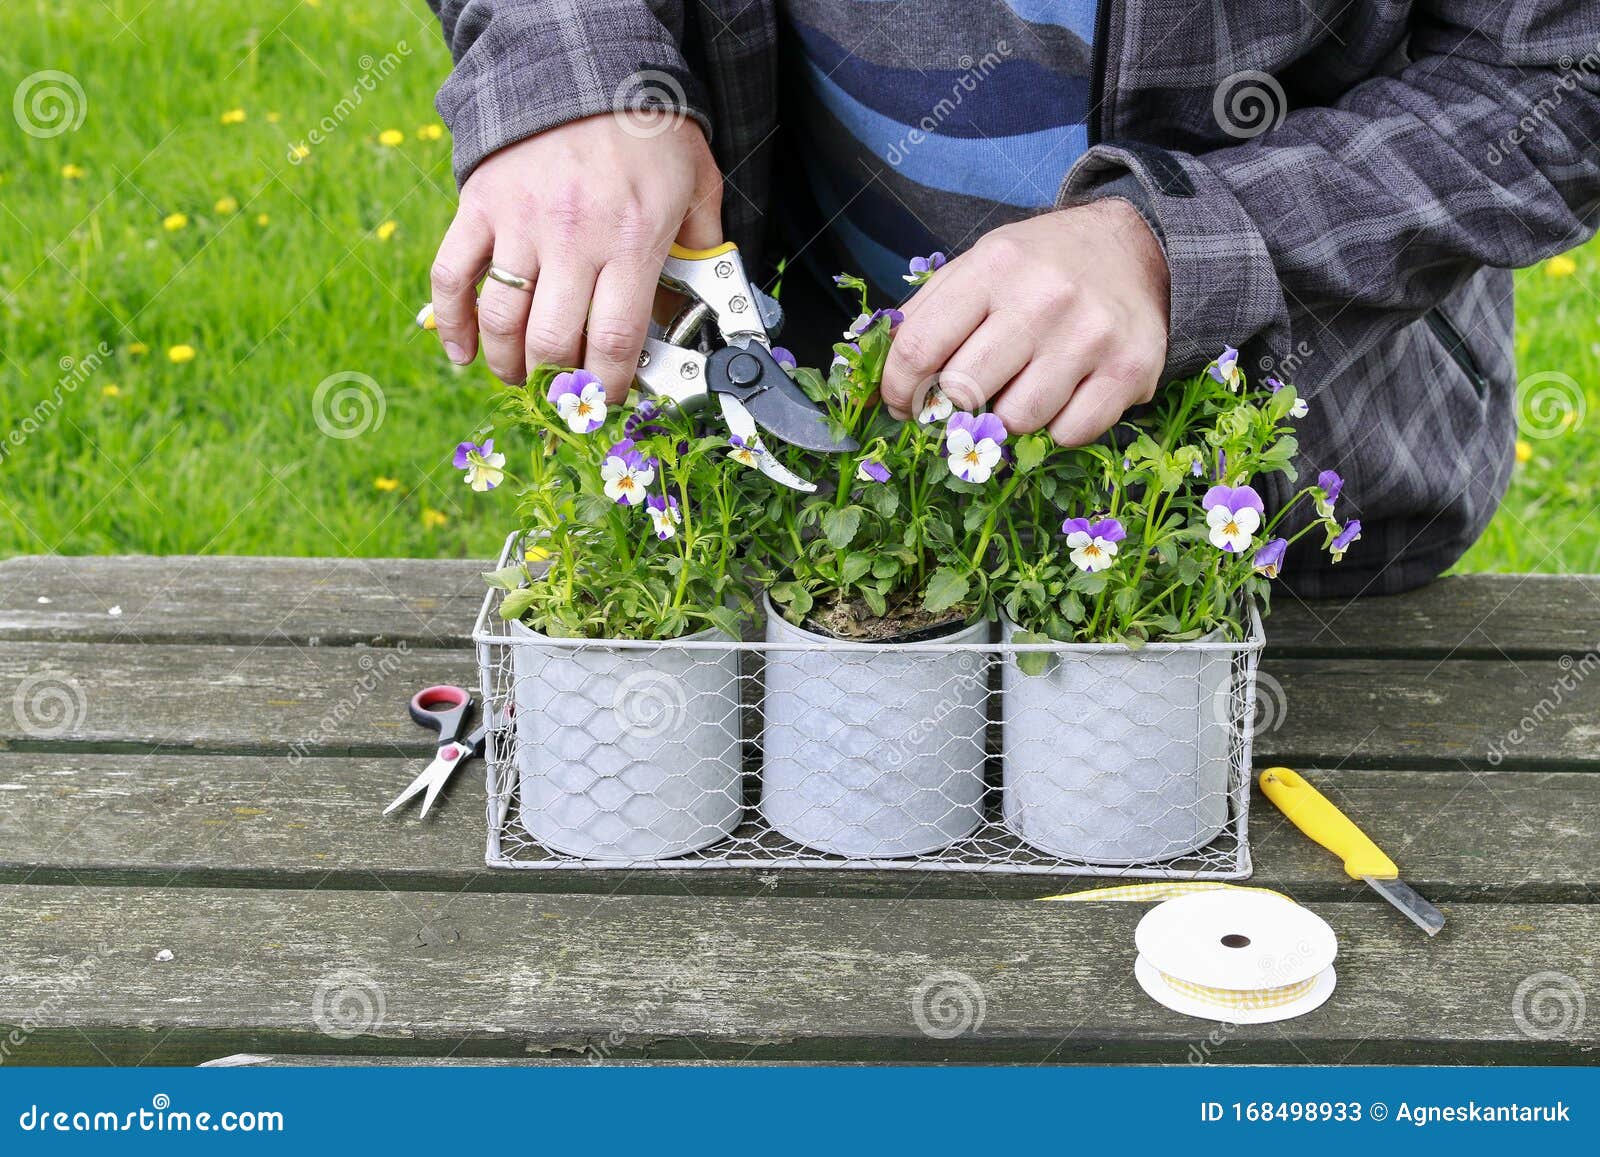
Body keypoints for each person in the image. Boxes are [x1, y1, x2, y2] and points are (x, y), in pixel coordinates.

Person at [421, 1, 1599, 597]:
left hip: (1278, 531)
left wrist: (1197, 247)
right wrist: (568, 64)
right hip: (758, 499)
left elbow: (1564, 67)